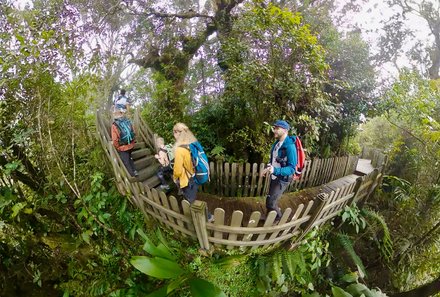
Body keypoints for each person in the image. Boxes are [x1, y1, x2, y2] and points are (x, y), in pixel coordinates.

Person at [172, 123, 214, 222]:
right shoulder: (191, 144)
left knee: (192, 201)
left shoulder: (179, 150)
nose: (173, 135)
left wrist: (174, 177)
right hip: (193, 177)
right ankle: (200, 216)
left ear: (177, 133)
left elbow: (177, 170)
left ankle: (208, 217)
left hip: (186, 180)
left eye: (174, 132)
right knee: (191, 198)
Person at [261, 120, 297, 222]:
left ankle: (278, 218)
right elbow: (274, 159)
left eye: (277, 128)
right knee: (269, 198)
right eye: (274, 128)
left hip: (283, 178)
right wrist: (268, 168)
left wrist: (275, 170)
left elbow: (291, 168)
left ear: (285, 130)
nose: (274, 130)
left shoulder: (290, 147)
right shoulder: (277, 143)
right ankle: (270, 216)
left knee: (271, 202)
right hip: (275, 175)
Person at [111, 109, 138, 177]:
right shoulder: (127, 121)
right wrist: (132, 142)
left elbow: (115, 139)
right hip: (131, 144)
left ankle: (132, 176)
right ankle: (135, 171)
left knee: (126, 162)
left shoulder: (114, 125)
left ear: (115, 115)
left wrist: (117, 147)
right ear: (121, 114)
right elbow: (134, 132)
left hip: (123, 147)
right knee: (130, 157)